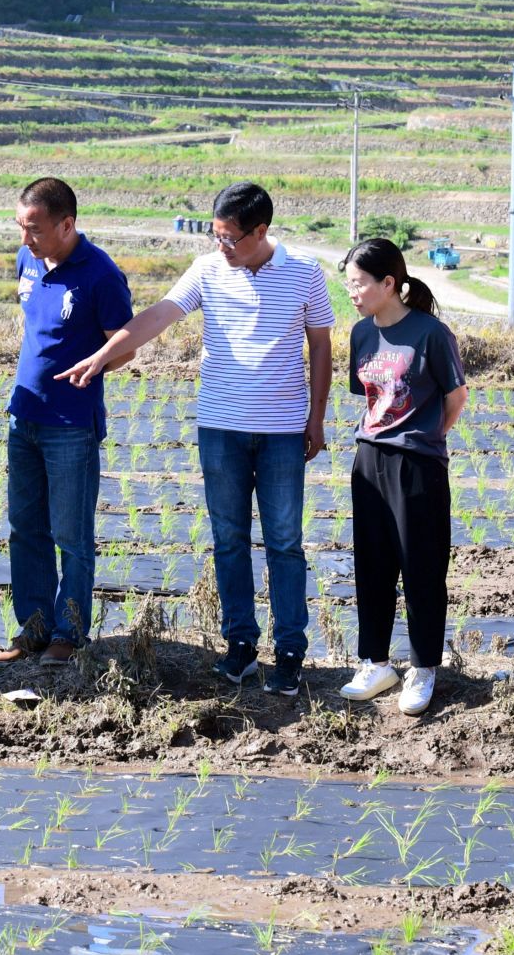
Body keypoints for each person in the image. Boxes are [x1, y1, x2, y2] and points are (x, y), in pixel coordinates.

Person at [58, 182, 334, 696]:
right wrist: (102, 355)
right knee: (229, 540)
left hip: (281, 431)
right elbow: (159, 315)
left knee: (284, 542)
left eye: (230, 238)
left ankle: (290, 652)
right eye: (216, 235)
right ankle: (240, 645)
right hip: (220, 429)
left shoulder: (305, 272)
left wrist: (316, 418)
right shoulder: (207, 269)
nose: (221, 246)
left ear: (261, 231)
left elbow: (320, 346)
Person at [0, 177, 134, 668]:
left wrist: (94, 366)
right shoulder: (27, 259)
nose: (25, 238)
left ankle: (68, 634)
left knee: (70, 535)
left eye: (35, 229)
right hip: (24, 415)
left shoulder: (101, 274)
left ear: (67, 224)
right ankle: (33, 629)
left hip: (71, 424)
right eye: (20, 226)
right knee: (25, 528)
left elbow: (124, 346)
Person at [335, 239, 467, 715]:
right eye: (348, 284)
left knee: (421, 567)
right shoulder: (360, 334)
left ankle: (423, 667)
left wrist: (426, 436)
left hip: (418, 464)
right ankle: (375, 662)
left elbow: (456, 398)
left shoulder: (431, 334)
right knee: (372, 565)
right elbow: (371, 399)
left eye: (359, 284)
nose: (352, 292)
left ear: (388, 283)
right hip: (369, 458)